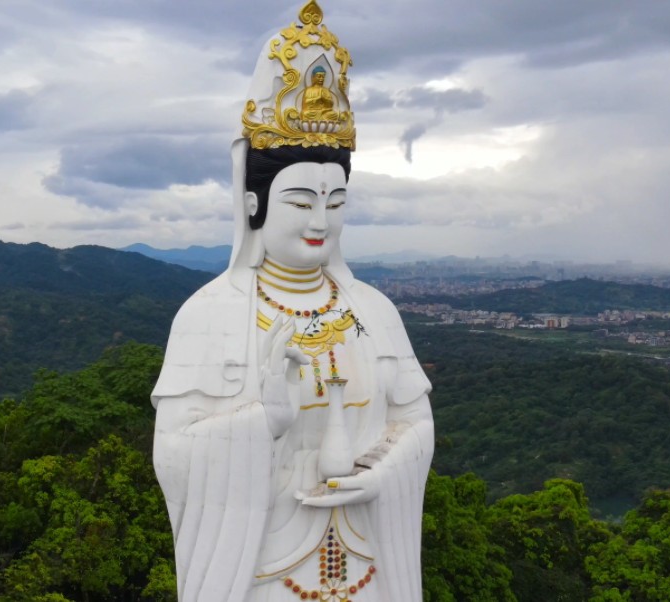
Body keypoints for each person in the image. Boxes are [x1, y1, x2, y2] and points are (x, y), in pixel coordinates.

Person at [152, 3, 434, 601]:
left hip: (367, 567)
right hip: (261, 575)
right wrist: (264, 424)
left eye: (335, 204)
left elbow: (416, 422)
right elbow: (171, 455)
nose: (320, 222)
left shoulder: (374, 311)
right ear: (254, 204)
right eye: (301, 201)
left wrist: (382, 474)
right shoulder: (210, 314)